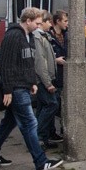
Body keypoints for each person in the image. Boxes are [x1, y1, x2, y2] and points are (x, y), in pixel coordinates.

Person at [0, 7, 63, 170]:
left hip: (23, 85)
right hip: (16, 87)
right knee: (29, 123)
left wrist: (32, 82)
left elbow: (28, 63)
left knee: (9, 122)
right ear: (28, 21)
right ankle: (40, 162)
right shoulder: (14, 36)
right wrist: (7, 90)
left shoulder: (28, 36)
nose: (39, 26)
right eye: (37, 23)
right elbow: (6, 65)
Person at [33, 10, 60, 149]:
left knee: (43, 106)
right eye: (48, 22)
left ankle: (43, 137)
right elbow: (40, 63)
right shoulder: (38, 37)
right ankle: (39, 137)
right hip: (42, 79)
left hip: (45, 78)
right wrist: (48, 83)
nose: (50, 24)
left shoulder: (44, 36)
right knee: (51, 105)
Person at [47, 10, 68, 142]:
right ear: (57, 21)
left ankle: (62, 130)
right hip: (53, 75)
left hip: (65, 75)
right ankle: (49, 133)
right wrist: (55, 60)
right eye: (65, 21)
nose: (67, 23)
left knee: (62, 105)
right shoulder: (48, 36)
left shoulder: (67, 34)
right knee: (52, 105)